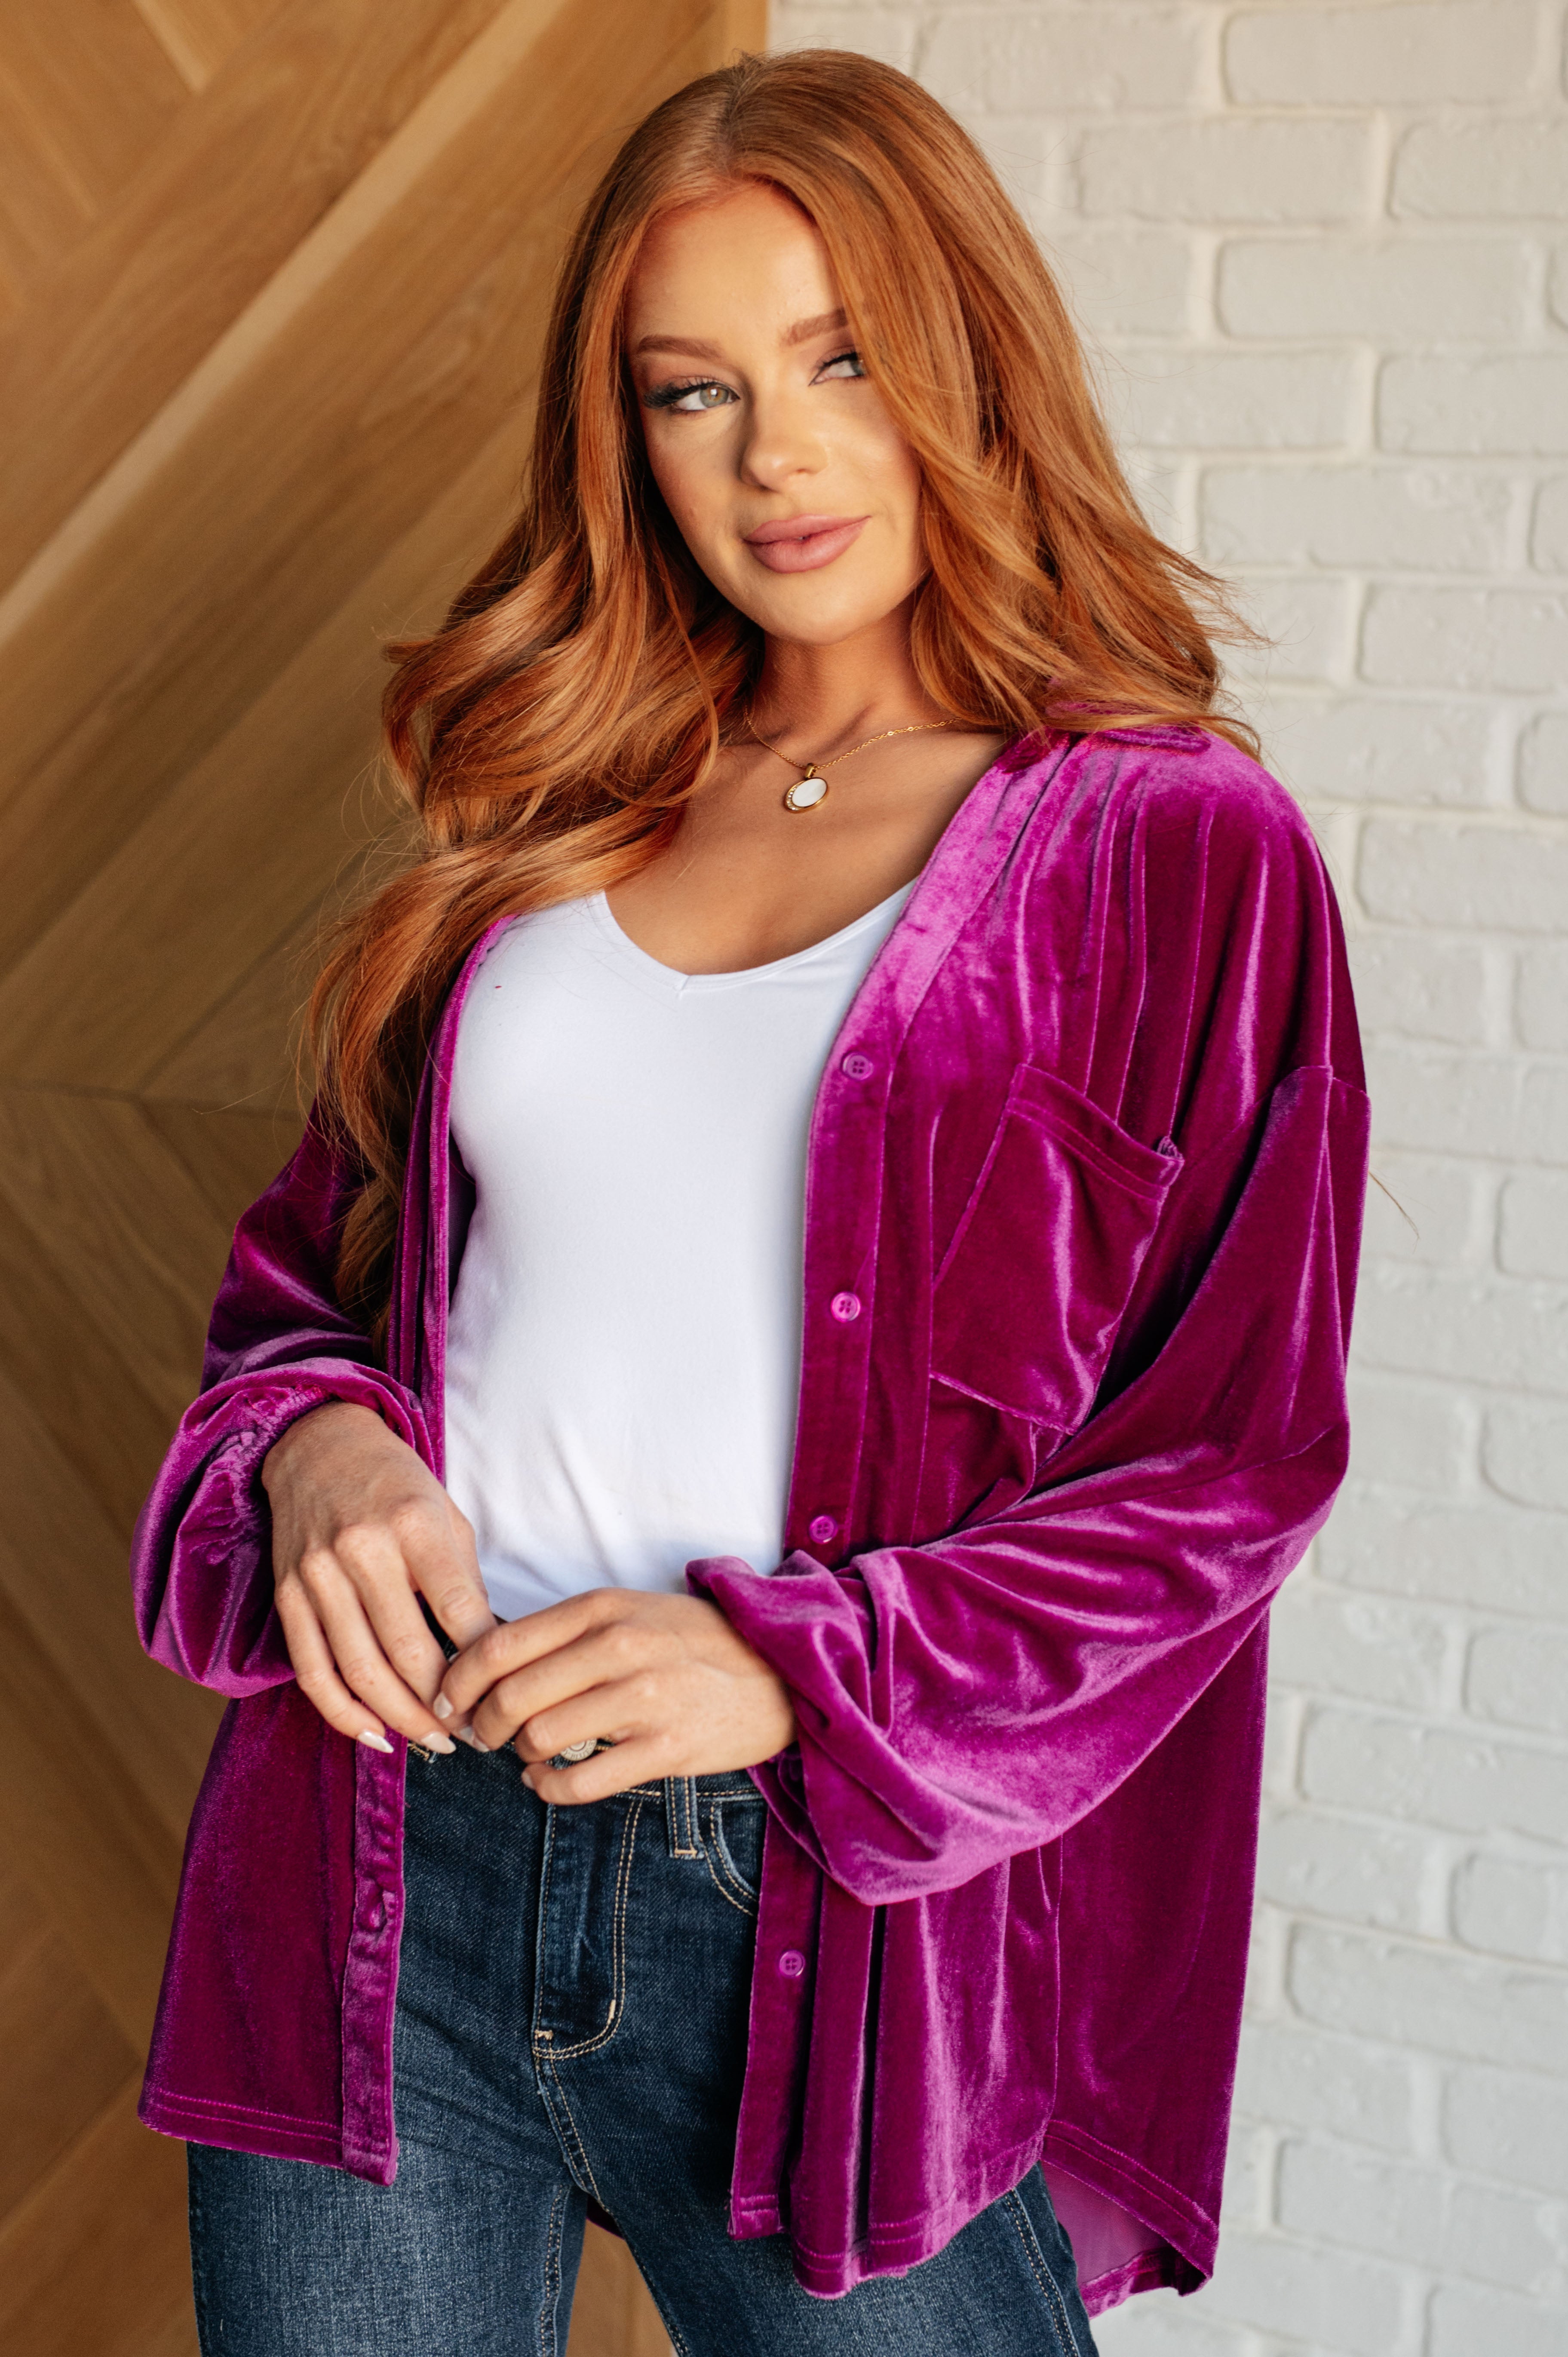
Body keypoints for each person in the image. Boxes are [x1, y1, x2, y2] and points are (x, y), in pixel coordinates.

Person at [132, 47, 1369, 2357]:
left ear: (972, 361)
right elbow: (314, 1289)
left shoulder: (1172, 848)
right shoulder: (547, 804)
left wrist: (800, 1668)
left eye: (844, 360)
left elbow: (1227, 1465)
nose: (775, 455)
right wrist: (314, 1451)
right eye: (692, 388)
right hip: (379, 1840)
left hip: (816, 1907)